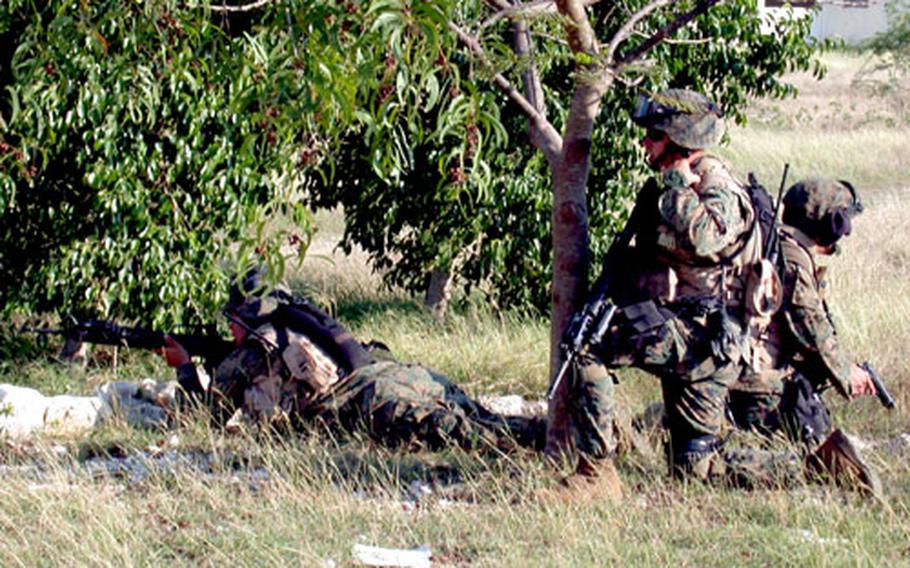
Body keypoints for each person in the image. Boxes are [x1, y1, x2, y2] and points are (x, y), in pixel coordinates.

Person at [563, 89, 800, 495]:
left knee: (589, 347)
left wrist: (676, 185)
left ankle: (595, 476)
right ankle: (807, 467)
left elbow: (705, 238)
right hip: (698, 339)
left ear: (679, 142)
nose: (645, 144)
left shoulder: (715, 185)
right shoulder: (681, 182)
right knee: (695, 470)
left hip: (705, 336)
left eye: (654, 136)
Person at [161, 277, 544, 453]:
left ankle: (554, 438)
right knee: (481, 418)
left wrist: (183, 367)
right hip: (398, 373)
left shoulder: (249, 354)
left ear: (244, 318)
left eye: (232, 319)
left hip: (370, 399)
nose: (228, 327)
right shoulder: (294, 326)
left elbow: (205, 422)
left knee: (467, 436)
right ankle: (552, 429)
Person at [727, 177, 880, 492]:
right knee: (814, 437)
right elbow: (814, 335)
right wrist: (846, 374)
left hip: (739, 376)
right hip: (758, 388)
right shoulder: (792, 259)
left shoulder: (780, 246)